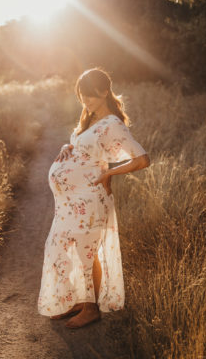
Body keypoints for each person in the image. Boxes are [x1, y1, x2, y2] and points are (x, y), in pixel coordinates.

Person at [37, 67, 150, 329]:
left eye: (89, 95)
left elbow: (142, 159)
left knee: (86, 252)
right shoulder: (90, 117)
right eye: (80, 95)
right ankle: (78, 299)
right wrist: (69, 146)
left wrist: (110, 171)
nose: (84, 100)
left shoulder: (112, 124)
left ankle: (91, 308)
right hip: (69, 202)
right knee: (61, 247)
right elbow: (83, 146)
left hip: (90, 199)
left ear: (104, 91)